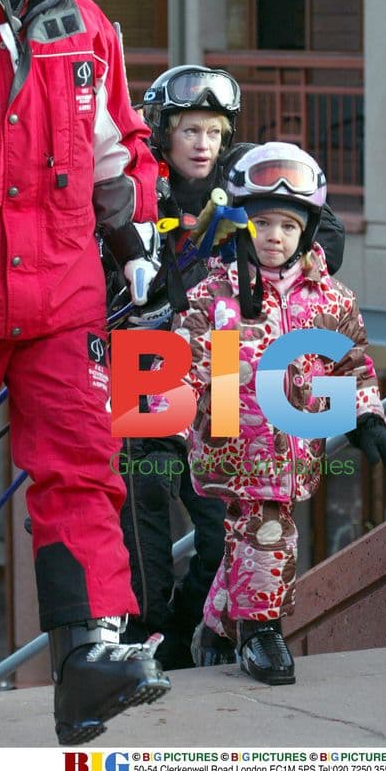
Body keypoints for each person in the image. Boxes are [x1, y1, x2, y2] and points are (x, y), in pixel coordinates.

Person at [0, 0, 170, 745]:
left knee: (83, 465)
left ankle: (87, 661)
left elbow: (114, 146)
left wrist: (135, 248)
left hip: (63, 288)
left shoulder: (85, 21)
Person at [118, 66, 348, 670]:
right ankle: (148, 635)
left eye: (215, 132)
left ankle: (189, 632)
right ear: (164, 132)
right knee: (142, 509)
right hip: (145, 360)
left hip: (223, 364)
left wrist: (265, 249)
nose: (202, 144)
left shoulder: (248, 177)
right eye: (190, 129)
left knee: (223, 519)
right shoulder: (137, 183)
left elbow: (324, 228)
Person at [165, 141, 386, 685]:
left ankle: (215, 623)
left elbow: (349, 364)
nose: (274, 236)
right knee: (267, 530)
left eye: (288, 226)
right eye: (263, 222)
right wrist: (165, 422)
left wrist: (366, 418)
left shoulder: (330, 301)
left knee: (244, 534)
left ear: (308, 233)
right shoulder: (215, 297)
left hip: (295, 443)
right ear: (239, 225)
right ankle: (260, 633)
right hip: (231, 435)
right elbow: (185, 366)